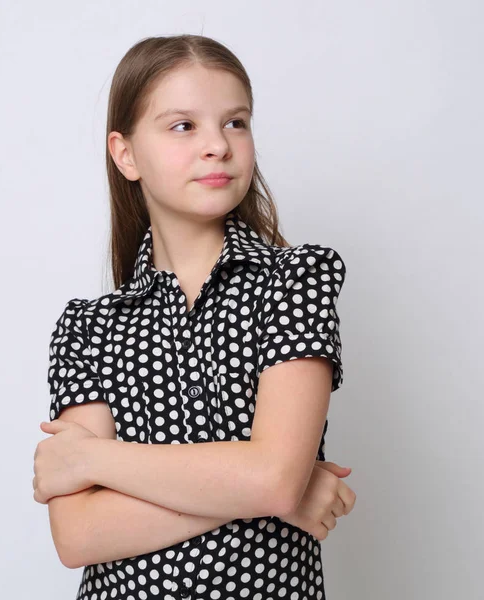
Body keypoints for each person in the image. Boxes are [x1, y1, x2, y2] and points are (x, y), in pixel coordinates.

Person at [33, 34, 356, 600]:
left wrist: (92, 459)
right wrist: (268, 489)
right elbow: (78, 536)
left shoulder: (295, 281)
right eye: (183, 126)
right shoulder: (88, 327)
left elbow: (273, 480)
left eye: (235, 122)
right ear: (125, 153)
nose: (218, 145)